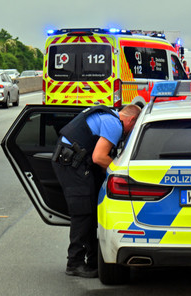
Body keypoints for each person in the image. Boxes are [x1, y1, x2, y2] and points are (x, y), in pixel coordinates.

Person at [51, 104, 141, 278]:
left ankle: (92, 260)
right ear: (131, 120)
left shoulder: (108, 116)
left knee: (91, 208)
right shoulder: (114, 124)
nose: (130, 133)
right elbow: (99, 157)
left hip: (71, 160)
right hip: (70, 164)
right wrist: (122, 172)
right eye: (133, 128)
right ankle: (74, 263)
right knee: (83, 210)